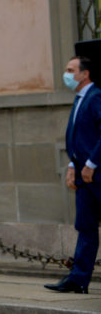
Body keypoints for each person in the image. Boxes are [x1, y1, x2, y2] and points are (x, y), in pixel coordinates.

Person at [45, 54, 101, 294]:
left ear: (84, 74)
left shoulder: (96, 96)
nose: (66, 75)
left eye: (70, 70)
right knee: (86, 227)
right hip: (83, 174)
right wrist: (72, 165)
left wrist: (92, 163)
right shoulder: (80, 99)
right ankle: (78, 279)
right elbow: (79, 138)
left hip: (96, 174)